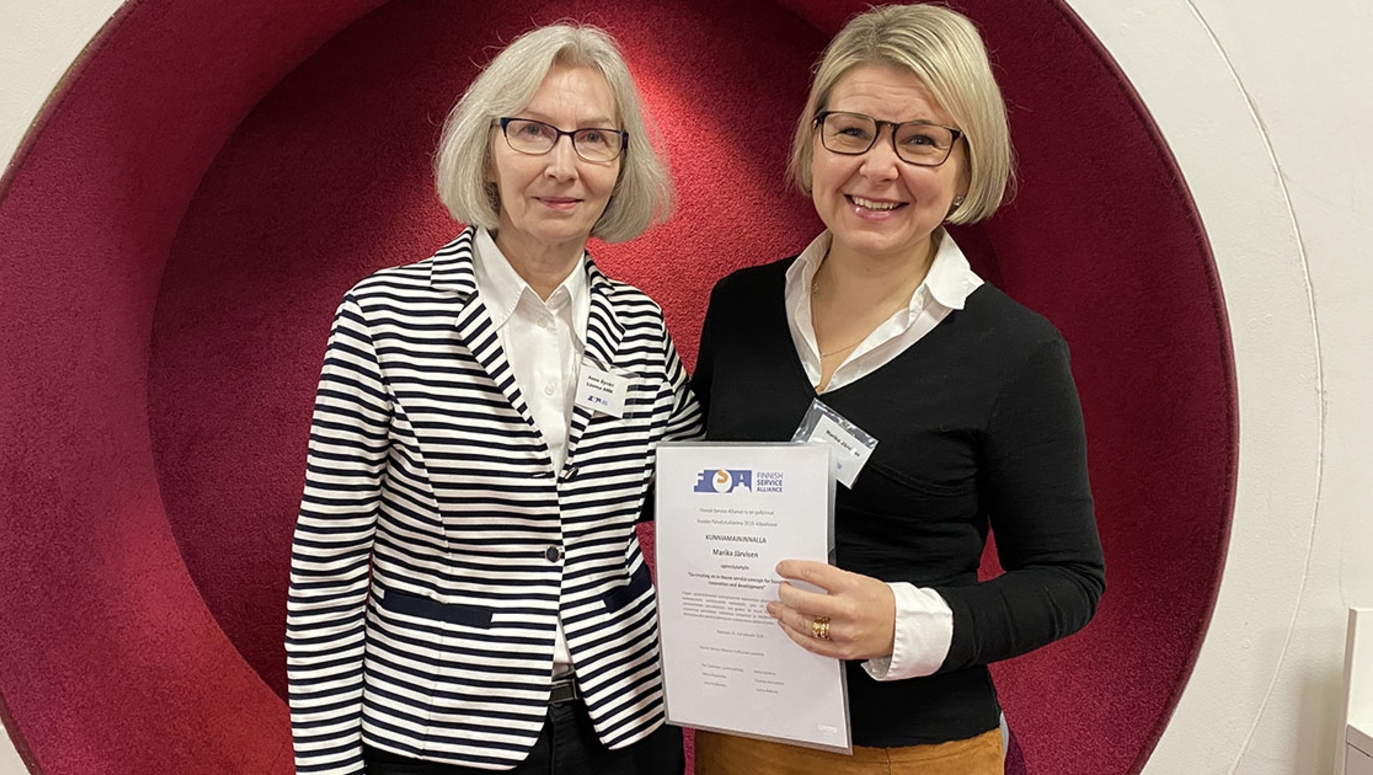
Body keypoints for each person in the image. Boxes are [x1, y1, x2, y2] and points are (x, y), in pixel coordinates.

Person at [690, 5, 1105, 774]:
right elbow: (688, 482)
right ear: (813, 142)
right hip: (738, 735)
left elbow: (1069, 580)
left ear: (966, 165)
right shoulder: (741, 306)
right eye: (851, 131)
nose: (877, 168)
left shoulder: (1016, 350)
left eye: (919, 140)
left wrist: (902, 621)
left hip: (914, 751)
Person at [285, 24, 701, 775]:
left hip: (627, 723)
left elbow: (696, 498)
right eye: (533, 131)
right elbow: (328, 568)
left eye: (594, 138)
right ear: (487, 149)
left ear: (620, 163)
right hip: (439, 731)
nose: (562, 166)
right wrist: (328, 765)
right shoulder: (384, 317)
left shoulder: (641, 324)